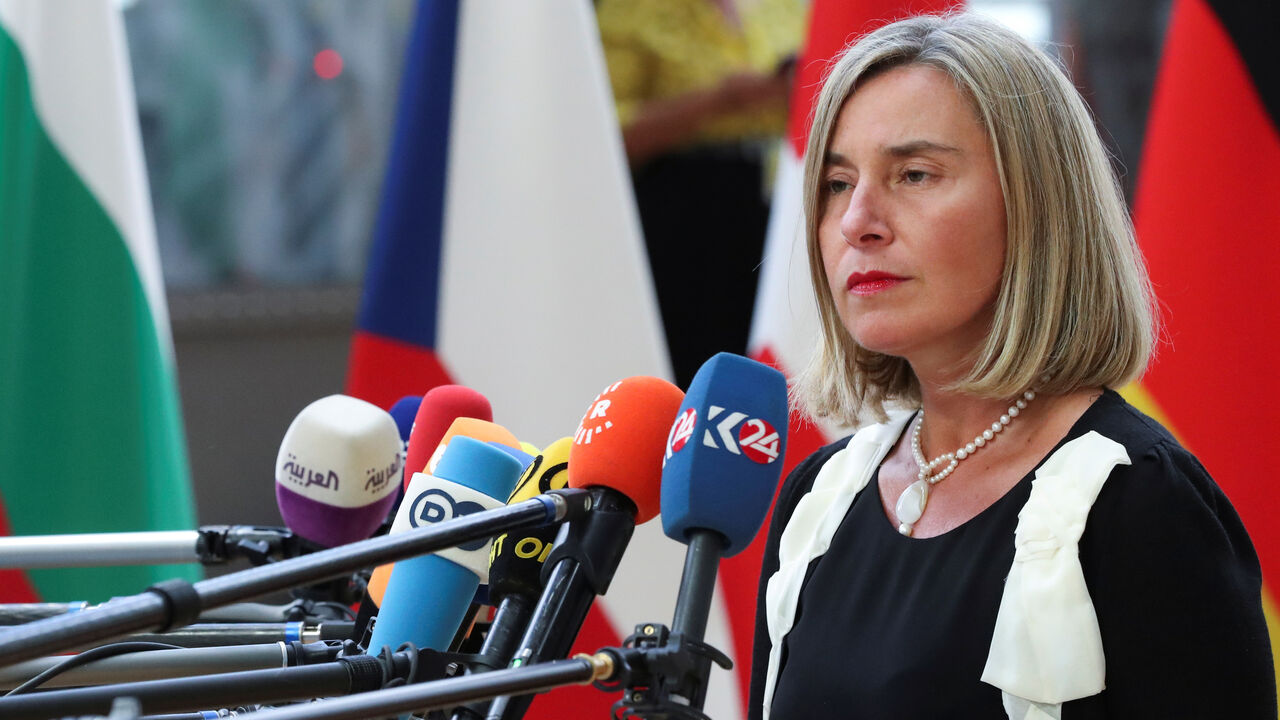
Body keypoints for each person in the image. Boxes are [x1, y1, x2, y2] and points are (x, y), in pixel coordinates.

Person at [747, 13, 1275, 720]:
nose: (856, 221)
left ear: (1036, 206)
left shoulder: (1140, 503)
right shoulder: (818, 498)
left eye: (913, 174)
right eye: (837, 183)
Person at [596, 0, 804, 388]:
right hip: (682, 209)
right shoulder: (632, 8)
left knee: (769, 348)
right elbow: (602, 131)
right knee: (690, 350)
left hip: (774, 200)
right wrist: (718, 100)